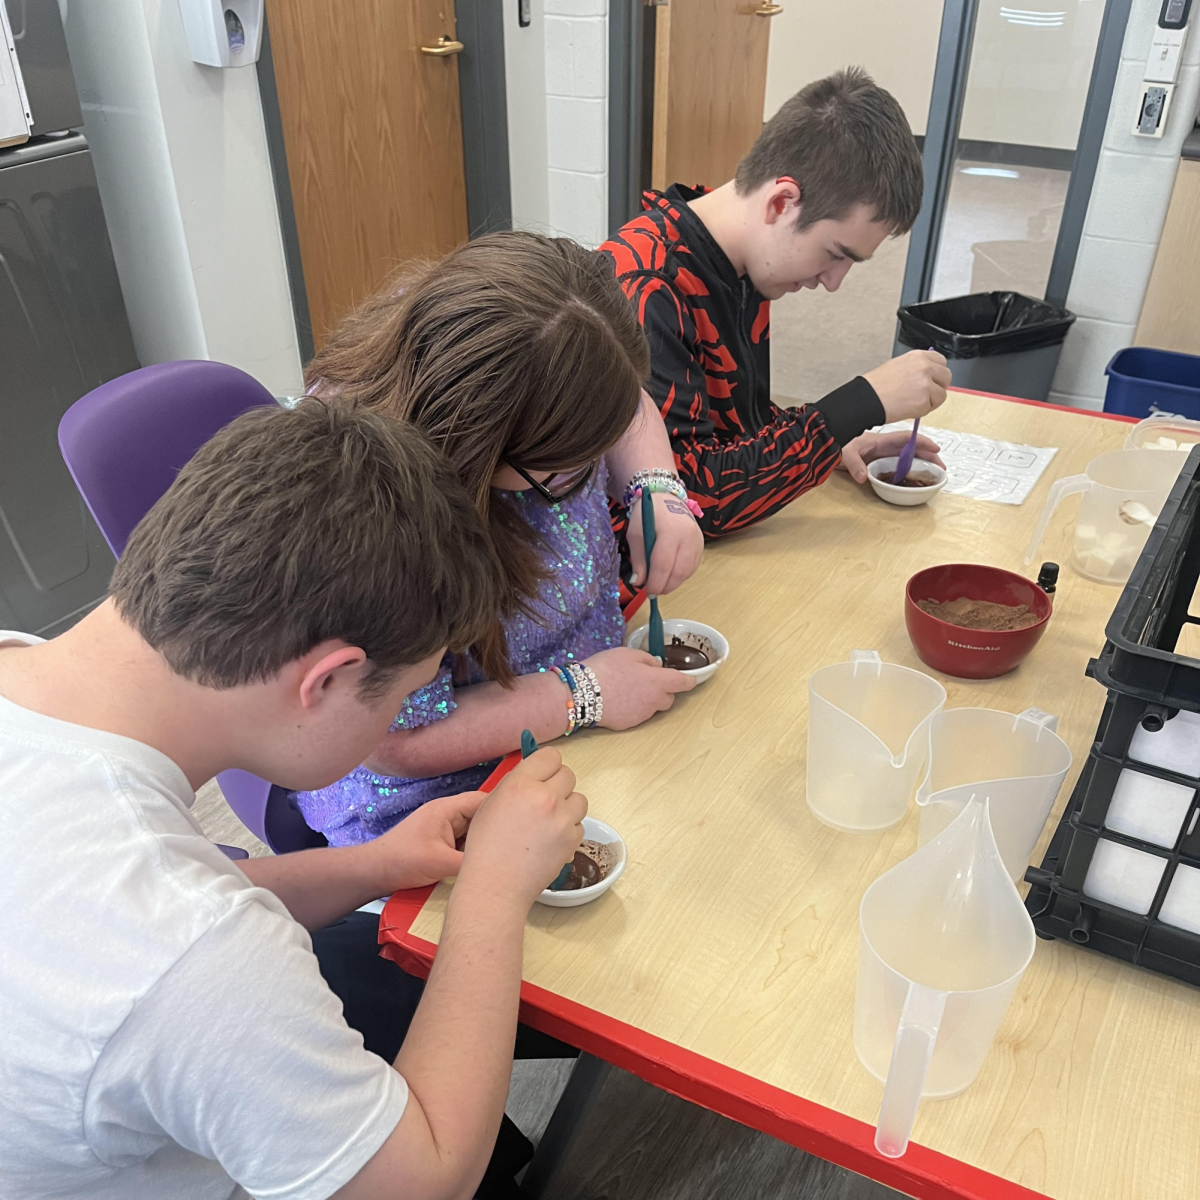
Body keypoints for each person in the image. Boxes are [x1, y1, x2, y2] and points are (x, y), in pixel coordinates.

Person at [0, 400, 588, 1200]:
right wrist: (493, 889)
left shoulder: (30, 680)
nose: (397, 719)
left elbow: (120, 908)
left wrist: (376, 862)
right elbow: (423, 1180)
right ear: (327, 681)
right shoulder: (195, 956)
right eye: (400, 699)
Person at [293, 232, 705, 848]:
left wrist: (657, 487)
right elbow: (394, 743)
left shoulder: (506, 325)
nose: (591, 473)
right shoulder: (372, 525)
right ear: (477, 453)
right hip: (436, 803)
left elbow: (623, 399)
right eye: (567, 469)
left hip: (582, 703)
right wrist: (584, 693)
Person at [600, 67, 952, 538]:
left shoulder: (742, 264)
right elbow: (685, 501)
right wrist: (852, 409)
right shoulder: (645, 287)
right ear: (782, 202)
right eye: (835, 254)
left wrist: (834, 443)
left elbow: (730, 428)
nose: (833, 282)